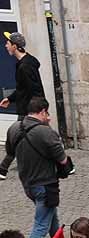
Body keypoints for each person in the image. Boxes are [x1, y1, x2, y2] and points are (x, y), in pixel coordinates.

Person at [5, 97, 71, 238]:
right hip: (45, 185)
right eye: (47, 113)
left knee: (52, 219)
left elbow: (10, 152)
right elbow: (62, 160)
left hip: (28, 184)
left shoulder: (14, 128)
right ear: (43, 111)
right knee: (41, 226)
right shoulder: (45, 131)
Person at [0, 32, 44, 179]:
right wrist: (10, 99)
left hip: (30, 109)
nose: (6, 45)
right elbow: (23, 89)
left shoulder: (24, 67)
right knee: (42, 136)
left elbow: (34, 89)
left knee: (16, 137)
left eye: (8, 43)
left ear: (15, 46)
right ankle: (64, 164)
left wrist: (37, 110)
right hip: (30, 107)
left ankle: (2, 169)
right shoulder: (27, 62)